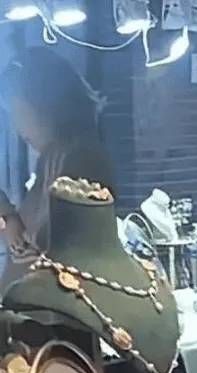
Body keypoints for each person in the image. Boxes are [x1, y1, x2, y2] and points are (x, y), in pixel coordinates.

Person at [0, 47, 114, 289]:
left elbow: (66, 253)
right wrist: (10, 219)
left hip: (53, 304)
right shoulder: (52, 157)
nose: (18, 128)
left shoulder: (79, 158)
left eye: (20, 112)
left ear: (45, 106)